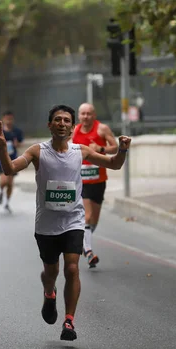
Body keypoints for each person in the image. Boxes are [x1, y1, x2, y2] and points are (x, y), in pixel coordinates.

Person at [0, 104, 131, 341]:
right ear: (50, 125)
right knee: (51, 271)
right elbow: (10, 168)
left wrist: (124, 150)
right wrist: (4, 148)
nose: (62, 123)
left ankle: (69, 321)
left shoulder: (81, 151)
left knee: (73, 268)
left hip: (73, 220)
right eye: (58, 120)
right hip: (46, 224)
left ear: (72, 126)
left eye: (67, 120)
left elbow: (114, 163)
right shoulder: (38, 151)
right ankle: (49, 292)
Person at [71, 103, 118, 268]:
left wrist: (101, 148)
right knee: (88, 215)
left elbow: (115, 148)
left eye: (89, 113)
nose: (85, 117)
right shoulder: (74, 132)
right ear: (78, 115)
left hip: (99, 180)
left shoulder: (102, 129)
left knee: (94, 220)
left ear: (94, 115)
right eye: (82, 113)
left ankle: (84, 242)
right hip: (81, 181)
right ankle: (89, 251)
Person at [0, 110, 24, 212]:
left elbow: (20, 143)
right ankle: (1, 191)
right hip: (1, 158)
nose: (8, 121)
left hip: (13, 159)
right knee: (3, 181)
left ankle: (7, 202)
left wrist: (17, 144)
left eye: (10, 119)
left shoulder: (17, 131)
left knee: (10, 183)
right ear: (3, 119)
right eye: (7, 118)